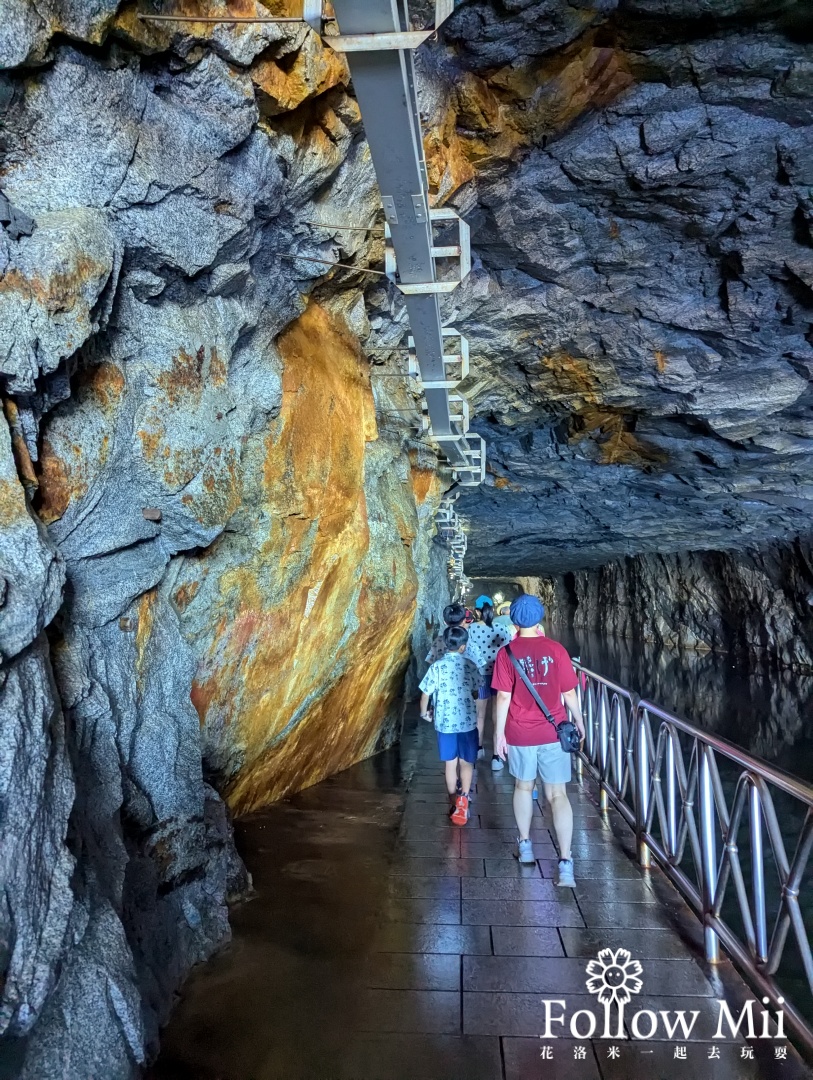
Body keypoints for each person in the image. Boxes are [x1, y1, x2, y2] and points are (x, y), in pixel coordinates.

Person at [491, 594, 586, 886]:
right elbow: (569, 692)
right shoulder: (556, 649)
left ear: (514, 621)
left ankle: (526, 846)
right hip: (553, 731)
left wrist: (498, 735)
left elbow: (504, 697)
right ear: (540, 619)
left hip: (520, 733)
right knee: (558, 794)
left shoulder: (506, 653)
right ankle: (566, 862)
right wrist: (579, 722)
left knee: (523, 786)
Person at [419, 625, 480, 825]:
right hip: (467, 722)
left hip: (444, 723)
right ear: (463, 646)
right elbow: (476, 691)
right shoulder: (470, 665)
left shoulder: (436, 666)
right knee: (467, 762)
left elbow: (426, 693)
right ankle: (464, 798)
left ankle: (453, 800)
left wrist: (424, 712)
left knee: (450, 763)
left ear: (445, 644)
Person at [465, 596, 510, 768]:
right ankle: (497, 757)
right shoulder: (501, 629)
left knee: (479, 715)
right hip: (501, 676)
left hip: (480, 676)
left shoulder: (471, 630)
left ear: (477, 611)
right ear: (492, 609)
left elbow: (467, 653)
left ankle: (478, 749)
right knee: (498, 715)